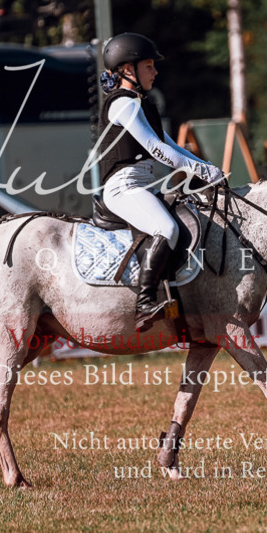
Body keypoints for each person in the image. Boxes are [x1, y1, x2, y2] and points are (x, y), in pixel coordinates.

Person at [97, 32, 224, 332]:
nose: (156, 72)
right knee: (165, 228)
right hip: (123, 188)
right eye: (150, 66)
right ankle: (144, 304)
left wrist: (208, 167)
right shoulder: (122, 104)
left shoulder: (143, 104)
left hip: (143, 185)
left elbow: (171, 145)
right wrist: (203, 173)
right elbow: (157, 150)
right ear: (128, 70)